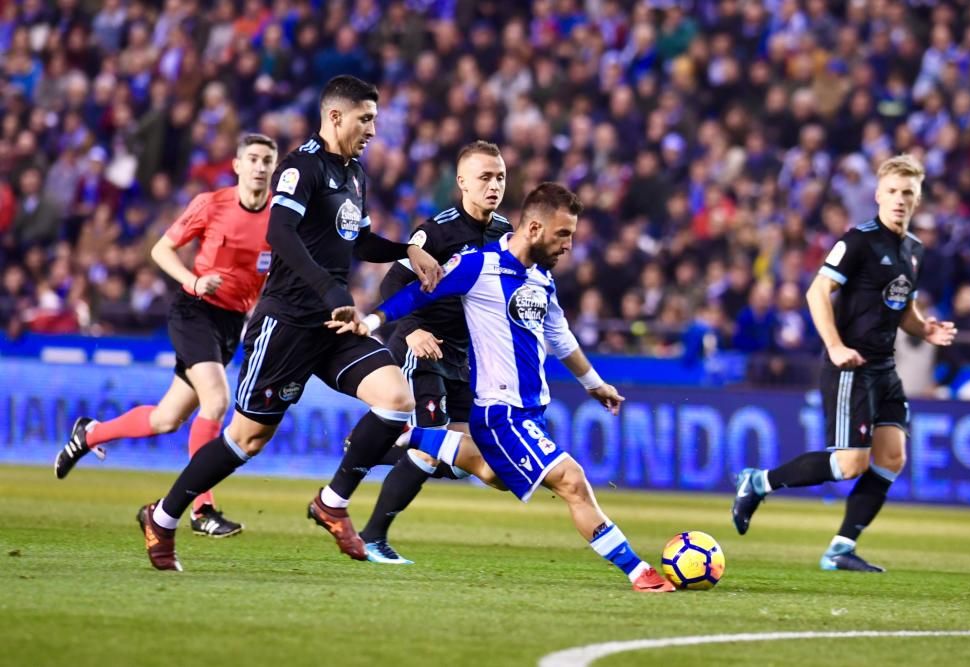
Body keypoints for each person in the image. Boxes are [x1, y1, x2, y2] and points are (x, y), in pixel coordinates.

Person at [135, 75, 443, 571]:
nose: (372, 129)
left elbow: (360, 243)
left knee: (396, 400)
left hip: (335, 326)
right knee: (246, 440)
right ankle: (164, 516)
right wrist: (329, 289)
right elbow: (280, 231)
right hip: (286, 325)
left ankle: (332, 502)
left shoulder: (354, 175)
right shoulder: (303, 166)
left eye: (375, 120)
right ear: (335, 116)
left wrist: (408, 248)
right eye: (365, 119)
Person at [337, 182, 673, 592]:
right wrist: (370, 324)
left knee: (491, 472)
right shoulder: (478, 266)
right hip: (501, 412)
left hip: (531, 411)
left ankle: (408, 435)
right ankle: (641, 573)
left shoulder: (541, 279)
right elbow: (415, 295)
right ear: (533, 228)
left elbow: (561, 337)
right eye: (563, 233)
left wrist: (594, 384)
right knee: (572, 480)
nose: (569, 244)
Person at [731, 154, 957, 572]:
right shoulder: (858, 241)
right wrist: (834, 346)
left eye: (908, 193)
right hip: (850, 365)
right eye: (892, 191)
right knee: (850, 464)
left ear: (918, 199)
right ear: (877, 195)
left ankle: (840, 549)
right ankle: (758, 482)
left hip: (885, 368)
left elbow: (902, 306)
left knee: (892, 458)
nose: (900, 200)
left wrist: (924, 329)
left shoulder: (914, 250)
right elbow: (817, 292)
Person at [54, 133, 280, 538]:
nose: (260, 167)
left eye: (267, 160)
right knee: (217, 400)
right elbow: (160, 250)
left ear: (274, 167)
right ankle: (201, 509)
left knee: (166, 419)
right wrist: (194, 282)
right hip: (194, 311)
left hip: (231, 323)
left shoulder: (280, 216)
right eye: (254, 159)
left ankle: (90, 433)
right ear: (237, 165)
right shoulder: (212, 204)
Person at [358, 140, 512, 565]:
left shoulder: (504, 233)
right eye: (484, 177)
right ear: (461, 182)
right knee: (432, 448)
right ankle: (372, 538)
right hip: (421, 348)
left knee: (462, 461)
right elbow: (392, 285)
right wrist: (410, 332)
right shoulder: (438, 231)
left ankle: (371, 446)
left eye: (499, 176)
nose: (494, 185)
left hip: (463, 358)